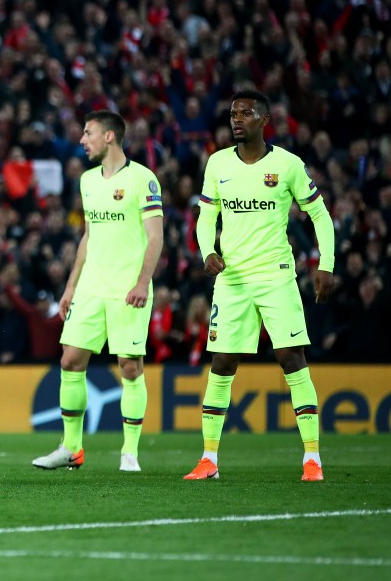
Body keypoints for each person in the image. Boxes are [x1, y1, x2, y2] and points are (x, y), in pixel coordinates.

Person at [184, 89, 335, 482]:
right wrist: (206, 252)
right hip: (232, 281)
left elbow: (319, 214)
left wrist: (326, 263)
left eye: (246, 113)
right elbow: (204, 218)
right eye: (233, 113)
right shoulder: (217, 164)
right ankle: (209, 460)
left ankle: (312, 459)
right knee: (221, 364)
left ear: (264, 120)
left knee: (291, 359)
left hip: (275, 276)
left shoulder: (287, 165)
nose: (237, 119)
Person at [32, 110, 163, 473]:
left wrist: (141, 282)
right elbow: (88, 237)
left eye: (88, 133)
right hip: (91, 288)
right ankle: (71, 448)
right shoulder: (87, 181)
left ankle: (130, 453)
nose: (82, 140)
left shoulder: (143, 179)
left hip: (127, 289)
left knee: (130, 367)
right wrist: (71, 286)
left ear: (109, 136)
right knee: (70, 360)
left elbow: (156, 236)